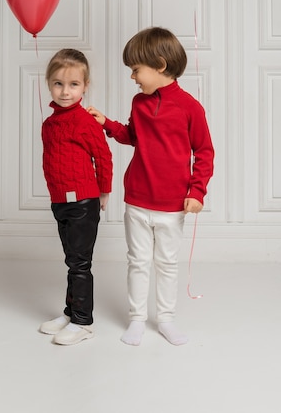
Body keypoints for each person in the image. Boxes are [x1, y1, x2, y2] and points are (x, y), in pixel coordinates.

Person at [87, 27, 214, 346]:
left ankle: (167, 319)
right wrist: (107, 124)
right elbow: (133, 135)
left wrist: (197, 191)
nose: (132, 77)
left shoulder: (190, 107)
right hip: (137, 201)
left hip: (173, 205)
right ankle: (137, 320)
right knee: (138, 261)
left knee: (168, 264)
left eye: (135, 70)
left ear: (159, 65)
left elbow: (205, 152)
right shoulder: (139, 103)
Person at [39, 48, 113, 346]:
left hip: (83, 201)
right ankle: (71, 313)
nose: (65, 91)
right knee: (72, 260)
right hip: (61, 201)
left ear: (85, 86)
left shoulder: (84, 122)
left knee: (80, 263)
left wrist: (104, 190)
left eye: (73, 85)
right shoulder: (50, 124)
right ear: (48, 84)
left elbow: (103, 157)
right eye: (58, 83)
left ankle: (83, 321)